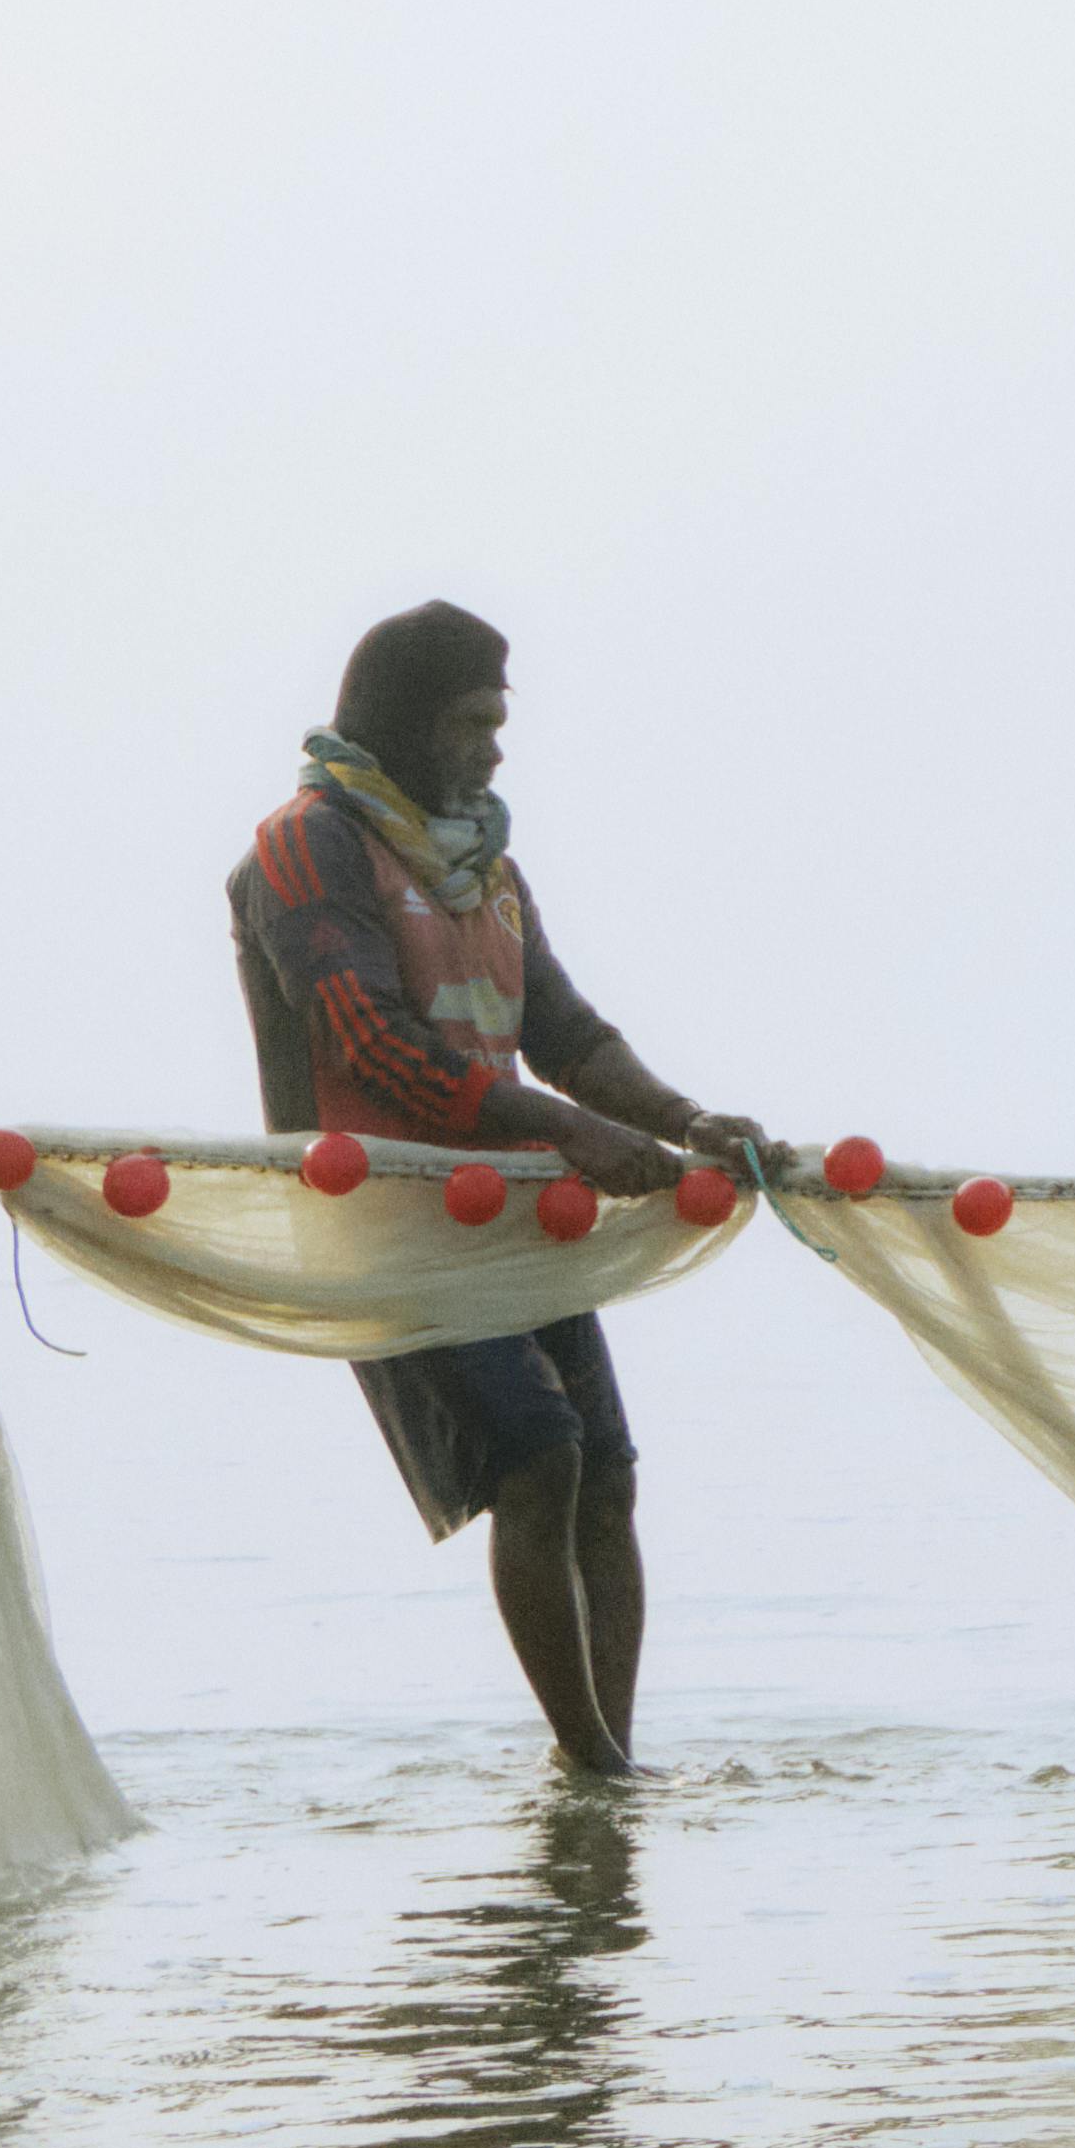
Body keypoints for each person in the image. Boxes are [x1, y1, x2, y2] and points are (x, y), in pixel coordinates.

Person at [230, 604, 772, 1773]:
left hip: (516, 1214)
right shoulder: (304, 848)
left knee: (606, 1477)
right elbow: (367, 1044)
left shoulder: (487, 860)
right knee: (538, 1455)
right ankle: (591, 1764)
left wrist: (681, 1119)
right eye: (475, 720)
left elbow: (563, 1031)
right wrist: (568, 1130)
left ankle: (605, 1768)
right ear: (408, 720)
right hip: (393, 1214)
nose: (494, 746)